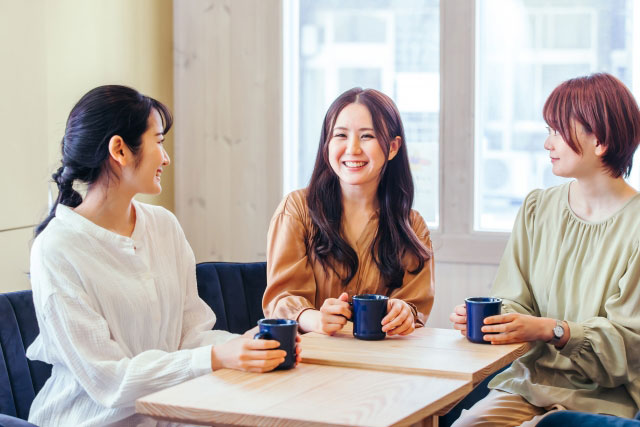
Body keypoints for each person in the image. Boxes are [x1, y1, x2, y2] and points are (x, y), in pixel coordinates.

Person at [27, 85, 300, 427]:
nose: (166, 158)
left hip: (171, 415)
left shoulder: (163, 226)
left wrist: (250, 346)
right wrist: (216, 357)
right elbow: (109, 381)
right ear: (120, 150)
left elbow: (190, 336)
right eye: (158, 141)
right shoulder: (57, 250)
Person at [450, 72, 640, 426]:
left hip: (603, 401)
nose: (547, 144)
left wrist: (552, 330)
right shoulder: (538, 208)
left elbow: (627, 348)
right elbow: (516, 300)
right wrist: (495, 320)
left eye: (556, 131)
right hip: (526, 386)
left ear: (598, 140)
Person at [263, 87, 434, 335]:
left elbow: (414, 308)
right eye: (341, 135)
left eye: (367, 136)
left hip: (382, 362)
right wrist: (315, 319)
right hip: (310, 360)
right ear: (327, 144)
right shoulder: (297, 210)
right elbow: (280, 300)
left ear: (393, 147)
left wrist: (404, 313)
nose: (352, 149)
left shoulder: (412, 226)